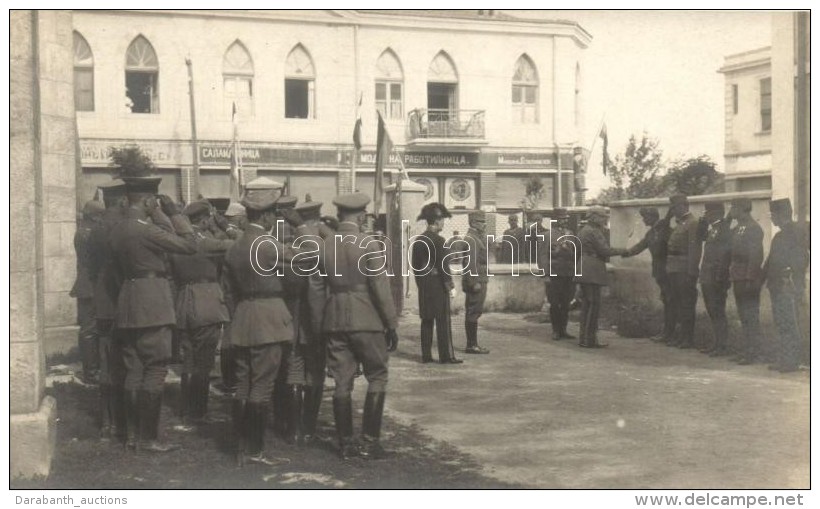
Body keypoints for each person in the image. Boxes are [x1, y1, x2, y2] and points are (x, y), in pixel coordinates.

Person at [108, 177, 197, 453]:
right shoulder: (146, 231)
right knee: (156, 368)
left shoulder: (117, 229)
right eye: (153, 201)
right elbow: (189, 244)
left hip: (128, 300)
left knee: (133, 370)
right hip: (153, 304)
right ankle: (149, 438)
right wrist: (172, 212)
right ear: (148, 201)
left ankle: (132, 436)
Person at [223, 187, 304, 466]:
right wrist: (302, 228)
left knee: (243, 385)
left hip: (243, 318)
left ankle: (240, 446)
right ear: (268, 216)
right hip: (268, 319)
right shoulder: (266, 245)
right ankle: (255, 450)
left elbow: (228, 291)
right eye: (274, 214)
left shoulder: (234, 247)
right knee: (262, 386)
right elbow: (304, 258)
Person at [321, 192, 399, 459]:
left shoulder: (326, 243)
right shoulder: (368, 243)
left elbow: (318, 288)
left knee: (341, 381)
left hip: (334, 319)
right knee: (377, 375)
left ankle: (346, 443)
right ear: (361, 215)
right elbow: (380, 288)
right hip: (366, 319)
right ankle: (369, 441)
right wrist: (391, 323)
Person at [171, 200, 233, 426]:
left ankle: (186, 409)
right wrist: (226, 226)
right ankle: (199, 411)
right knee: (204, 361)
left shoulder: (177, 242)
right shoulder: (207, 243)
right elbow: (238, 244)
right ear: (205, 219)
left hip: (184, 301)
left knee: (188, 360)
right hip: (207, 303)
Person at [289, 195, 332, 445]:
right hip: (314, 321)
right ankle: (307, 427)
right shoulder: (320, 247)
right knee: (314, 373)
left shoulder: (289, 241)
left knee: (295, 372)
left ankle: (293, 427)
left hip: (292, 319)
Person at [87, 180, 127, 440]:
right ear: (123, 200)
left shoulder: (96, 230)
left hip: (102, 303)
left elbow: (92, 268)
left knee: (106, 362)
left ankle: (107, 423)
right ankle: (124, 422)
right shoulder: (123, 228)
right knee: (125, 362)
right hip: (124, 301)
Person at [412, 202, 463, 364]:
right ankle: (446, 356)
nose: (443, 223)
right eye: (442, 220)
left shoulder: (418, 241)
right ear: (436, 221)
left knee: (426, 320)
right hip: (438, 285)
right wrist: (450, 287)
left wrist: (421, 284)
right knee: (442, 321)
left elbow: (415, 268)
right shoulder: (440, 240)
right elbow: (443, 267)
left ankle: (426, 356)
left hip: (425, 285)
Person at [762, 198, 807, 373]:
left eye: (773, 214)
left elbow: (802, 258)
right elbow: (771, 260)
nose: (772, 218)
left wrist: (791, 277)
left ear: (781, 215)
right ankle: (785, 359)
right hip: (777, 286)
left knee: (789, 323)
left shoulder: (796, 232)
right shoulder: (780, 235)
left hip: (787, 286)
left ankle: (792, 361)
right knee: (781, 323)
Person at [574, 207, 628, 348]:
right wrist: (624, 251)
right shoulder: (594, 231)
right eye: (603, 216)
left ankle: (583, 338)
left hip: (583, 267)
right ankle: (589, 339)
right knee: (593, 305)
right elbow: (604, 250)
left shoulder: (583, 230)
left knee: (586, 305)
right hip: (592, 268)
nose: (605, 219)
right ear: (594, 217)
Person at [623, 207, 673, 342]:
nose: (644, 220)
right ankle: (668, 333)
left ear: (651, 217)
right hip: (660, 272)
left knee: (671, 301)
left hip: (669, 272)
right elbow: (639, 247)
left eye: (645, 217)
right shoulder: (651, 233)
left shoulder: (665, 230)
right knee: (667, 301)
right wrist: (622, 252)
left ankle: (670, 333)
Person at [71, 200, 106, 384]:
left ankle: (93, 368)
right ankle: (91, 372)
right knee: (90, 329)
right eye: (101, 216)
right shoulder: (88, 234)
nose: (103, 220)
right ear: (94, 216)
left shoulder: (85, 231)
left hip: (89, 285)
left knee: (91, 328)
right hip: (90, 286)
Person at [728, 197, 765, 365]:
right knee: (743, 315)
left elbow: (756, 256)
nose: (731, 210)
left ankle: (753, 352)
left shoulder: (753, 228)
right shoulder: (737, 228)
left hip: (748, 277)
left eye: (734, 207)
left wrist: (750, 278)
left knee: (750, 315)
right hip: (738, 275)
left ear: (743, 208)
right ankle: (748, 350)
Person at [665, 194, 703, 349]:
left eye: (674, 208)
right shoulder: (680, 223)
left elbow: (695, 249)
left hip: (684, 269)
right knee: (678, 304)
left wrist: (692, 272)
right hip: (674, 268)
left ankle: (687, 338)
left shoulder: (693, 223)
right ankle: (681, 337)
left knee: (686, 304)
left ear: (682, 206)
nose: (672, 211)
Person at [697, 201, 732, 355]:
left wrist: (719, 277)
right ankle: (717, 343)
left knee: (718, 311)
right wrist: (702, 223)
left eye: (708, 212)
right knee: (713, 310)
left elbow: (723, 256)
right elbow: (701, 237)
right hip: (707, 276)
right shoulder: (714, 228)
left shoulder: (724, 229)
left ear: (716, 213)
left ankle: (722, 345)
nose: (706, 215)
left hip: (716, 277)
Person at [542, 208, 579, 340]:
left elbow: (575, 254)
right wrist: (545, 274)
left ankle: (563, 330)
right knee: (554, 302)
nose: (564, 221)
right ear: (555, 220)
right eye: (561, 218)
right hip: (554, 273)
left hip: (568, 273)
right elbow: (543, 256)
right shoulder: (548, 235)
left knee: (566, 302)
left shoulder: (571, 234)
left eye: (565, 219)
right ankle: (556, 330)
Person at [462, 211, 491, 354]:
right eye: (481, 222)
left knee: (474, 311)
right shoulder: (472, 239)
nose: (484, 224)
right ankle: (471, 345)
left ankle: (472, 344)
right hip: (477, 280)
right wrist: (474, 282)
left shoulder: (476, 238)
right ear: (473, 223)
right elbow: (470, 263)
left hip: (480, 279)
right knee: (473, 311)